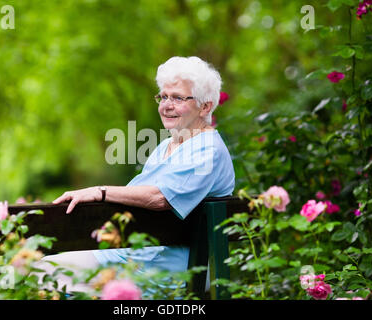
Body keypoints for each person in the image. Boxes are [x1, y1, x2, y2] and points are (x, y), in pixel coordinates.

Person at [35, 56, 235, 293]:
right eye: (163, 96)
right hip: (131, 256)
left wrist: (99, 192)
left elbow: (161, 198)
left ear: (205, 106)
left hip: (164, 271)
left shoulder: (207, 149)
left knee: (44, 276)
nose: (166, 105)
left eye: (178, 98)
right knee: (37, 271)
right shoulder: (167, 147)